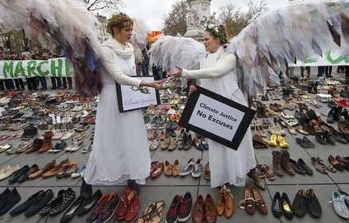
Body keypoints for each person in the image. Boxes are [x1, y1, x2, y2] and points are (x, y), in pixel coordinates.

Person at [82, 14, 161, 208]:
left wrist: (143, 92)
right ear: (115, 30)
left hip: (129, 99)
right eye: (126, 30)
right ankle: (87, 181)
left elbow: (131, 76)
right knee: (107, 140)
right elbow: (117, 76)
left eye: (131, 29)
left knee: (132, 138)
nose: (130, 33)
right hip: (112, 100)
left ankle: (133, 177)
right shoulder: (105, 50)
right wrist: (144, 83)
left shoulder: (129, 48)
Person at [170, 24, 259, 190]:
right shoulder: (204, 60)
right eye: (203, 39)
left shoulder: (230, 57)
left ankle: (251, 170)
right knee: (218, 143)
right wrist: (196, 88)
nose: (204, 43)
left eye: (206, 39)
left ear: (217, 40)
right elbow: (206, 80)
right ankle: (224, 176)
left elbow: (215, 72)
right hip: (214, 107)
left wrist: (186, 73)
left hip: (232, 103)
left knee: (242, 140)